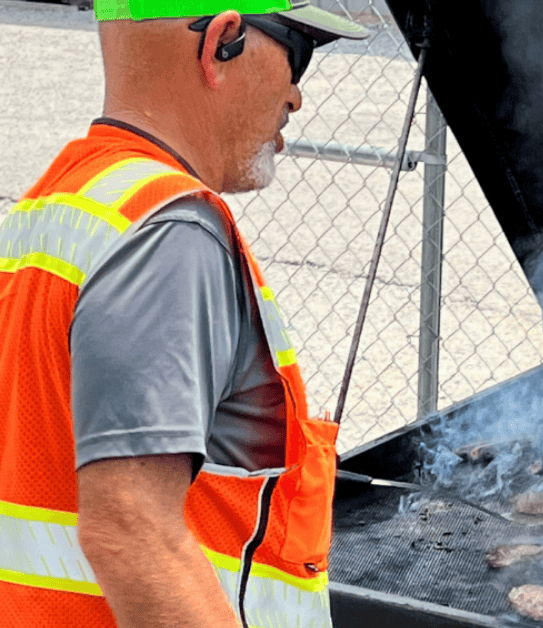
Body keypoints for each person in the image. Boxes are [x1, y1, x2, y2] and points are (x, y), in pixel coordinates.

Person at [0, 1, 367, 626]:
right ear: (222, 42)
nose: (296, 96)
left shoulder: (56, 203)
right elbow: (132, 528)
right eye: (297, 53)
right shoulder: (172, 231)